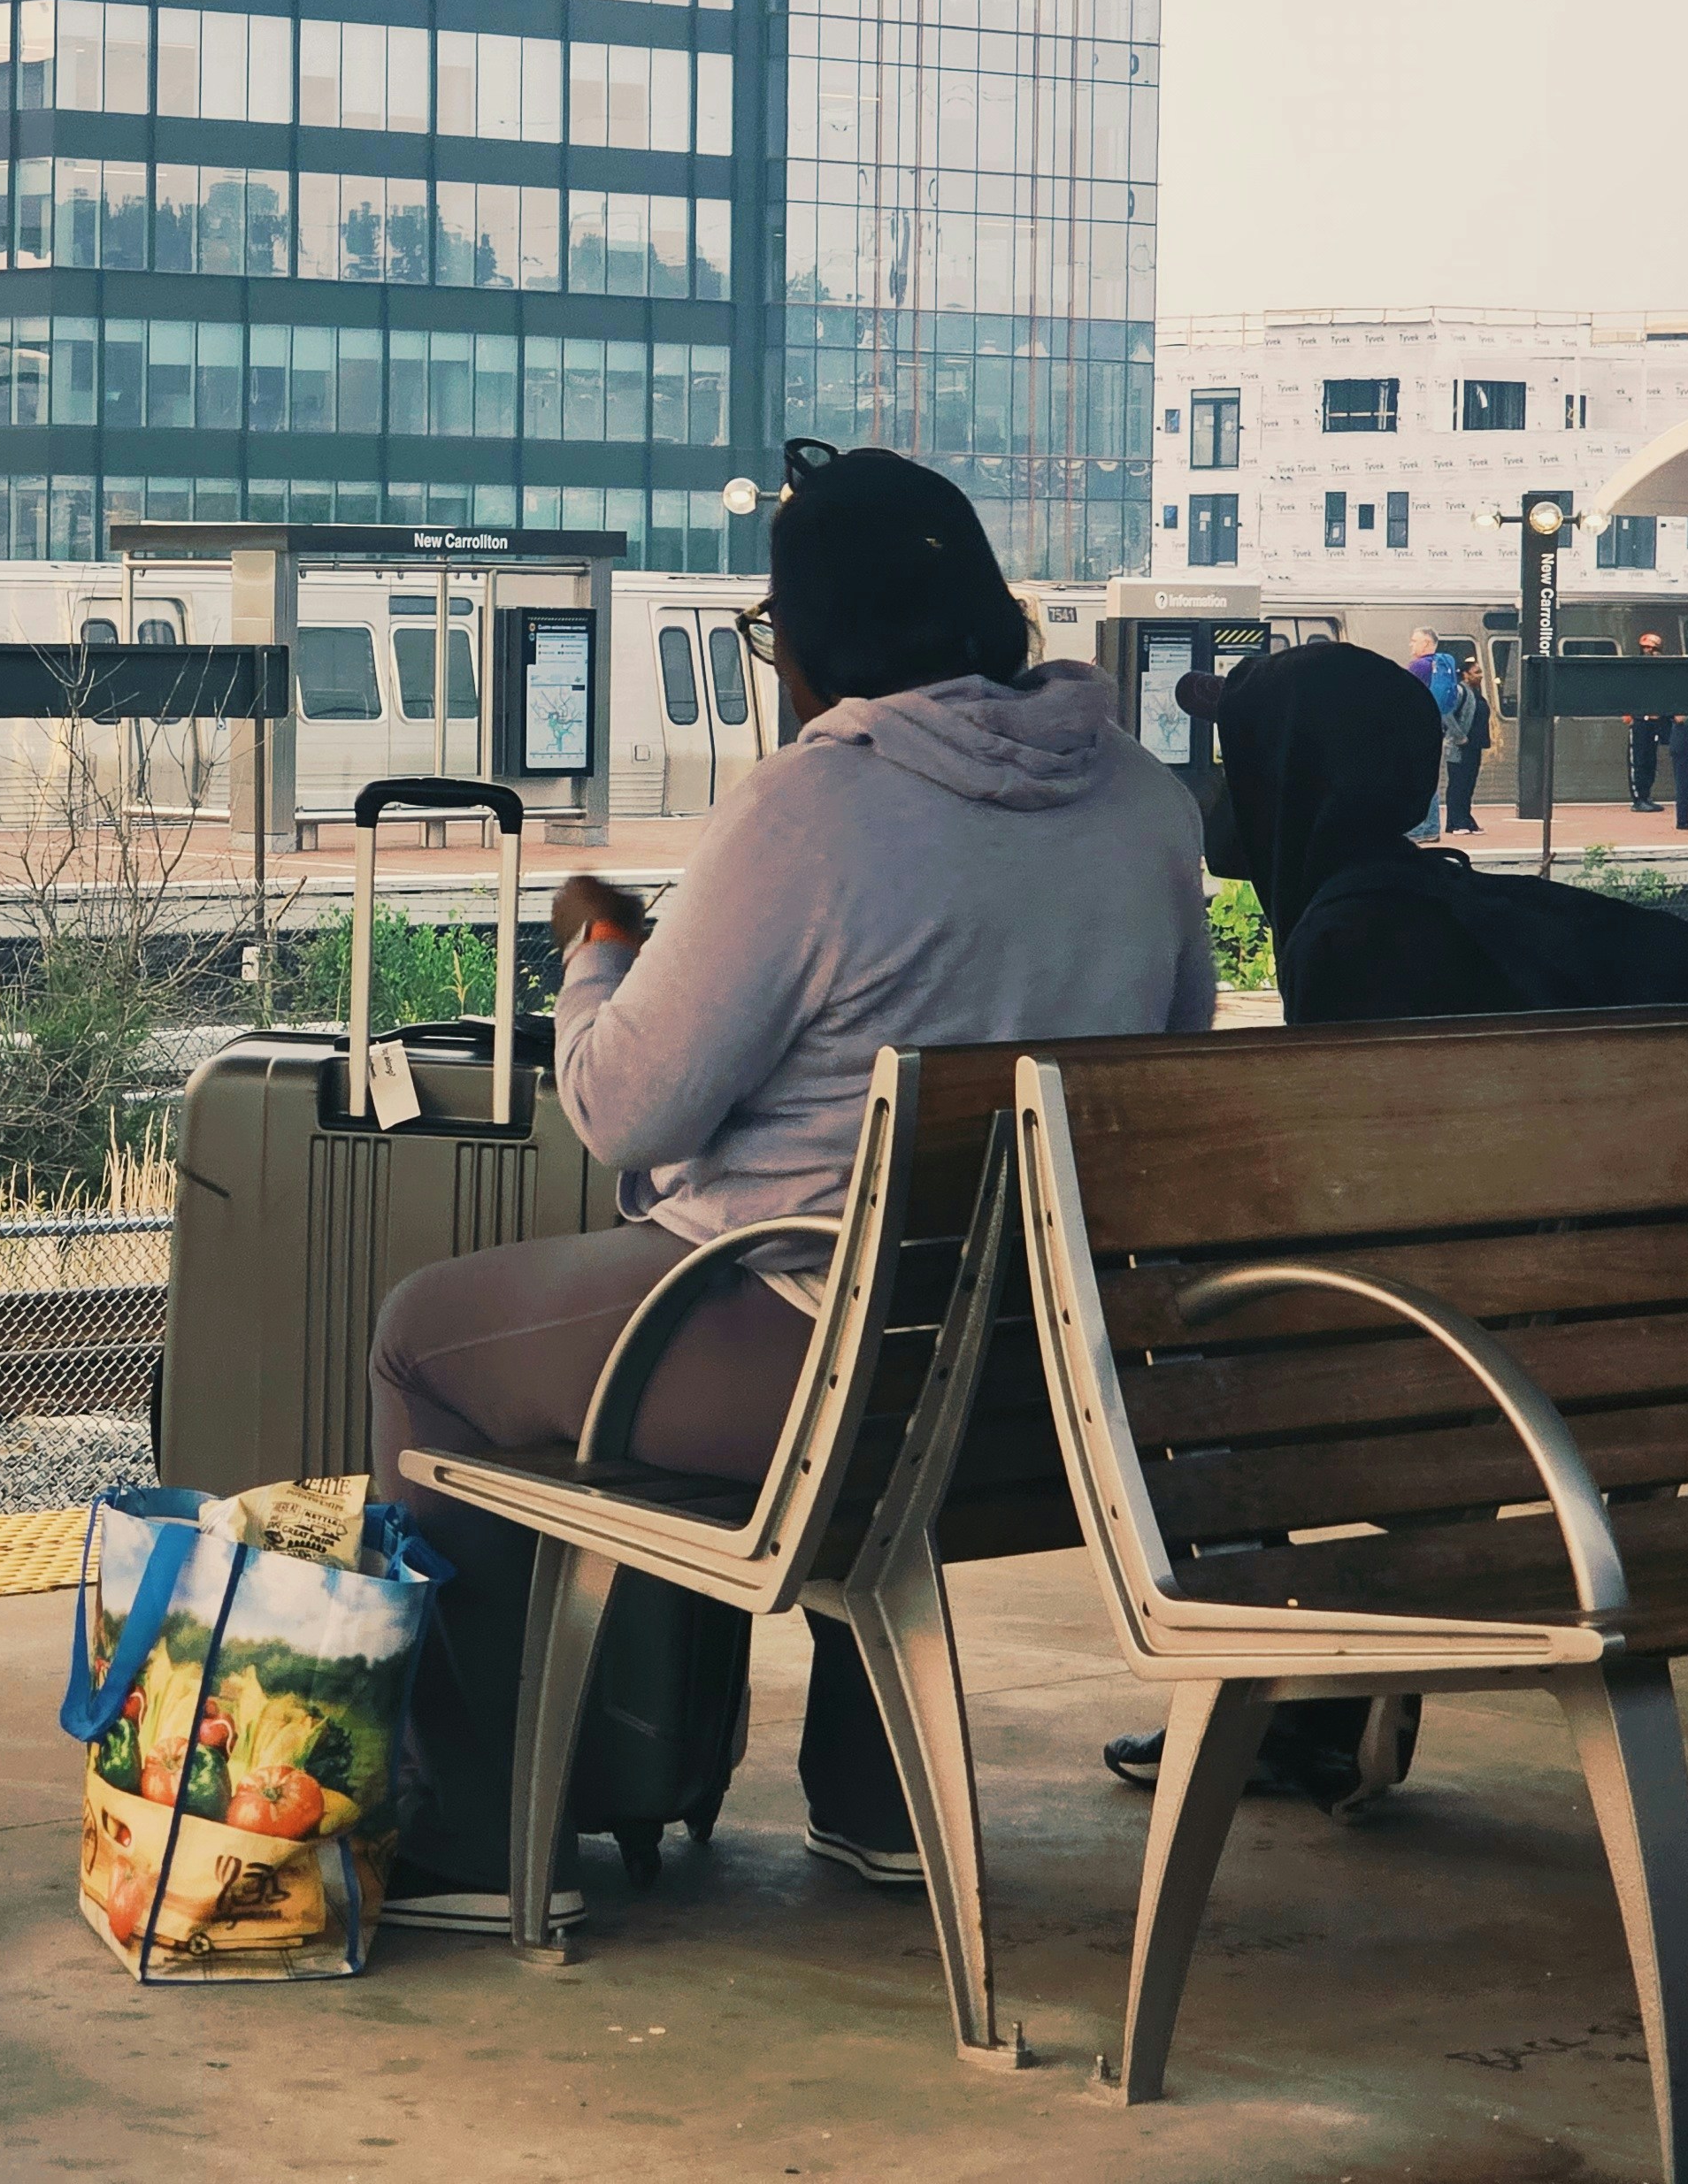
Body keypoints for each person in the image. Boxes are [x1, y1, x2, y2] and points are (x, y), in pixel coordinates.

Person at [367, 441, 1215, 1930]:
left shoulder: (812, 807)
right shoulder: (1146, 801)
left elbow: (624, 1111)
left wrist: (599, 954)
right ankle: (873, 1792)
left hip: (814, 1371)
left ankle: (477, 1831)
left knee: (427, 1337)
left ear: (811, 637)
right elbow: (1173, 1062)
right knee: (902, 1281)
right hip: (1047, 1387)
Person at [1101, 640, 1688, 1814]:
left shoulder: (1355, 939)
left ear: (1292, 784)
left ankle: (1292, 1704)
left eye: (1237, 761)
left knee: (1184, 1354)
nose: (1218, 791)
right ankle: (1320, 1699)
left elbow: (1376, 1215)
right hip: (1630, 1345)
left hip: (1482, 1362)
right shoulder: (1446, 908)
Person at [1403, 631, 1458, 840]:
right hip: (1435, 728)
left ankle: (1417, 829)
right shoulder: (1440, 664)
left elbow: (1406, 696)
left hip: (1417, 729)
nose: (1411, 645)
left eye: (1414, 641)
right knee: (1428, 778)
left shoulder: (1419, 666)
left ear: (1426, 643)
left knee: (1414, 779)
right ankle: (1432, 828)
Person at [1439, 651, 1492, 835]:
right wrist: (1460, 736)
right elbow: (1446, 713)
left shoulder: (1475, 693)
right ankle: (1455, 823)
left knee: (1468, 784)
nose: (1480, 676)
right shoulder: (1460, 691)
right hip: (1460, 748)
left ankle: (1466, 820)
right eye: (1476, 672)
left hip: (1474, 746)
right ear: (1465, 675)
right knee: (1458, 784)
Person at [1624, 632, 1677, 814]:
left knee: (1650, 762)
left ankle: (1646, 795)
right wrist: (1628, 713)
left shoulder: (1661, 671)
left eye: (1653, 648)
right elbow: (1628, 691)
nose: (1649, 651)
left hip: (1655, 722)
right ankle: (1638, 799)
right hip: (1640, 721)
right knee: (1638, 761)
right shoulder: (1636, 669)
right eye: (1646, 648)